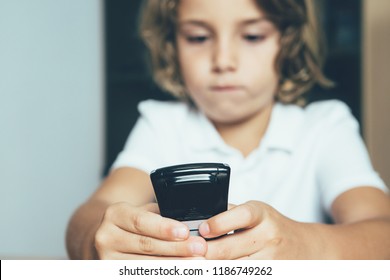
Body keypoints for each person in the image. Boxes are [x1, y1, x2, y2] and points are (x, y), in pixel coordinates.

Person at [66, 0, 390, 259]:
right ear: (172, 44)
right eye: (198, 37)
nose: (223, 60)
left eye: (252, 36)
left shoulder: (325, 127)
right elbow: (89, 216)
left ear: (288, 41)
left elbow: (383, 232)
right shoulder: (161, 125)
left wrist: (305, 245)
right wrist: (99, 240)